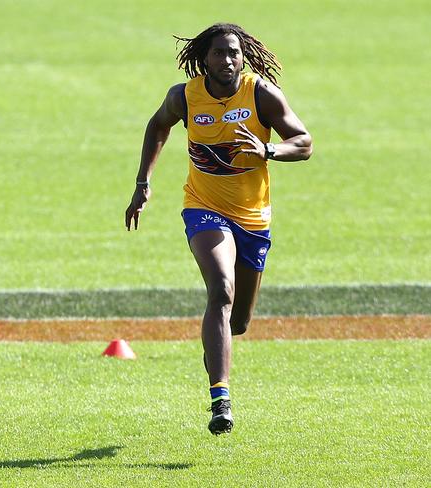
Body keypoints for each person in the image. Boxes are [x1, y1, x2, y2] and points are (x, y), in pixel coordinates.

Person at [124, 23, 313, 435]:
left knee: (238, 321)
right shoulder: (185, 97)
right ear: (204, 59)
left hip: (253, 218)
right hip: (204, 208)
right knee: (220, 288)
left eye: (233, 52)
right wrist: (143, 183)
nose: (227, 60)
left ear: (242, 56)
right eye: (218, 54)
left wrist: (267, 149)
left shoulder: (261, 93)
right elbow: (158, 126)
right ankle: (220, 398)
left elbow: (304, 142)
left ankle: (218, 349)